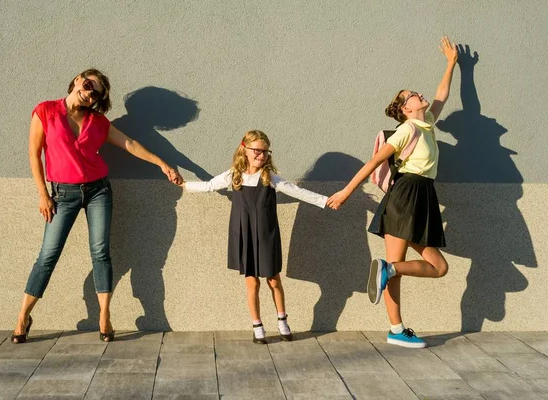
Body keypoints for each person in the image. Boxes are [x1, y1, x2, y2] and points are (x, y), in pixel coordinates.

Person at [11, 68, 182, 343]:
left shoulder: (98, 122)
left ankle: (104, 316)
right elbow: (34, 154)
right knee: (48, 255)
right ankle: (23, 316)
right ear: (78, 79)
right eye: (89, 84)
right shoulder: (45, 111)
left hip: (98, 191)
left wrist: (163, 164)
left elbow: (129, 144)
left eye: (96, 93)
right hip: (61, 195)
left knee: (100, 252)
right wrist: (43, 194)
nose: (90, 92)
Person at [327, 37, 458, 348]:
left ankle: (389, 272)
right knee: (394, 269)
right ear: (405, 109)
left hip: (423, 195)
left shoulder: (425, 124)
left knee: (438, 267)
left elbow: (441, 95)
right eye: (411, 95)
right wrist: (346, 191)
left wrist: (451, 63)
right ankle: (396, 329)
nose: (418, 94)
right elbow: (375, 161)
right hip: (406, 196)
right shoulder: (408, 129)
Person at [182, 130, 328, 344]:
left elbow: (296, 191)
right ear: (245, 150)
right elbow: (209, 186)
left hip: (266, 235)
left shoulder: (269, 177)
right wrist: (183, 185)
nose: (262, 156)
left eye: (265, 152)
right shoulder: (235, 175)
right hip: (244, 233)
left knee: (273, 280)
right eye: (257, 151)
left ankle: (282, 320)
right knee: (251, 282)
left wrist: (326, 201)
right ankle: (257, 325)